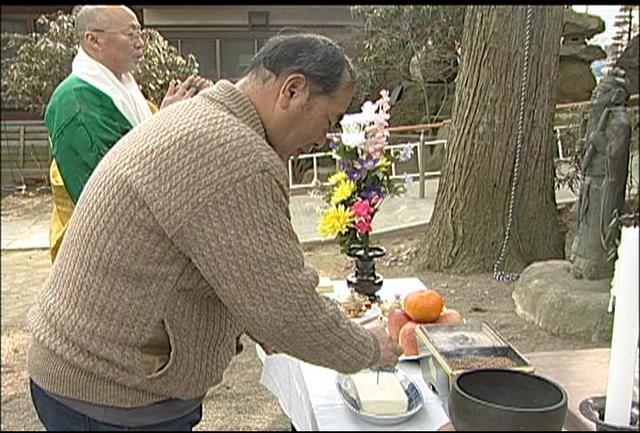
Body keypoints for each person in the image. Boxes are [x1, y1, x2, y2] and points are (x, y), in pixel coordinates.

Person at [27, 32, 404, 431]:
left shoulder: (199, 116)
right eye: (327, 121)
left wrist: (261, 317)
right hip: (108, 394)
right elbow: (284, 304)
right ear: (292, 90)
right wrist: (369, 348)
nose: (320, 141)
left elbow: (233, 269)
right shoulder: (236, 154)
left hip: (82, 369)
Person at [46, 4, 210, 263]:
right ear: (93, 40)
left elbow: (141, 140)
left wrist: (170, 114)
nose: (140, 43)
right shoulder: (75, 101)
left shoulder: (124, 87)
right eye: (130, 34)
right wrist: (166, 122)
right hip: (100, 249)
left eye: (139, 33)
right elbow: (108, 189)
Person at [571, 67, 631, 280]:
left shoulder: (620, 122)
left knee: (598, 223)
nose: (595, 97)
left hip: (605, 182)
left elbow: (617, 156)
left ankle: (596, 265)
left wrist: (601, 143)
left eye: (600, 93)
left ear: (615, 96)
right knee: (584, 220)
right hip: (591, 180)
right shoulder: (597, 116)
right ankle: (579, 260)